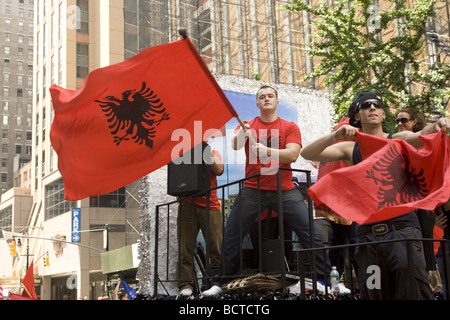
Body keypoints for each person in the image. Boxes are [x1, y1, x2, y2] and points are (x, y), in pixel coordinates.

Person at [300, 92, 450, 299]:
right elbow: (307, 154)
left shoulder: (398, 139)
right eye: (365, 105)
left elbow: (421, 135)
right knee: (374, 292)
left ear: (383, 113)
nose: (372, 108)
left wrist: (438, 124)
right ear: (357, 116)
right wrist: (335, 136)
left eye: (376, 105)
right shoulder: (350, 148)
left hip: (403, 232)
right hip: (368, 238)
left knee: (412, 291)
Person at [202, 85, 330, 296]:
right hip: (253, 189)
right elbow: (234, 145)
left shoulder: (289, 126)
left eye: (270, 96)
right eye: (262, 97)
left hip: (285, 189)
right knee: (232, 235)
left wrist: (267, 150)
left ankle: (324, 280)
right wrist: (243, 135)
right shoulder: (249, 124)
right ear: (257, 103)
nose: (266, 99)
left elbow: (292, 155)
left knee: (310, 233)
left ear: (277, 101)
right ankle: (220, 283)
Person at [177, 148, 224, 296]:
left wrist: (204, 149)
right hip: (187, 203)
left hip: (211, 204)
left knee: (216, 247)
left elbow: (219, 169)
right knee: (185, 247)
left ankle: (218, 282)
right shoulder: (182, 151)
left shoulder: (213, 152)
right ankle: (186, 284)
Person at [396, 108, 436, 277]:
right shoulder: (395, 142)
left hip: (423, 204)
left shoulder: (425, 143)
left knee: (424, 248)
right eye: (397, 121)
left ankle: (425, 284)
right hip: (403, 204)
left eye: (404, 120)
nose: (399, 124)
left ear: (414, 122)